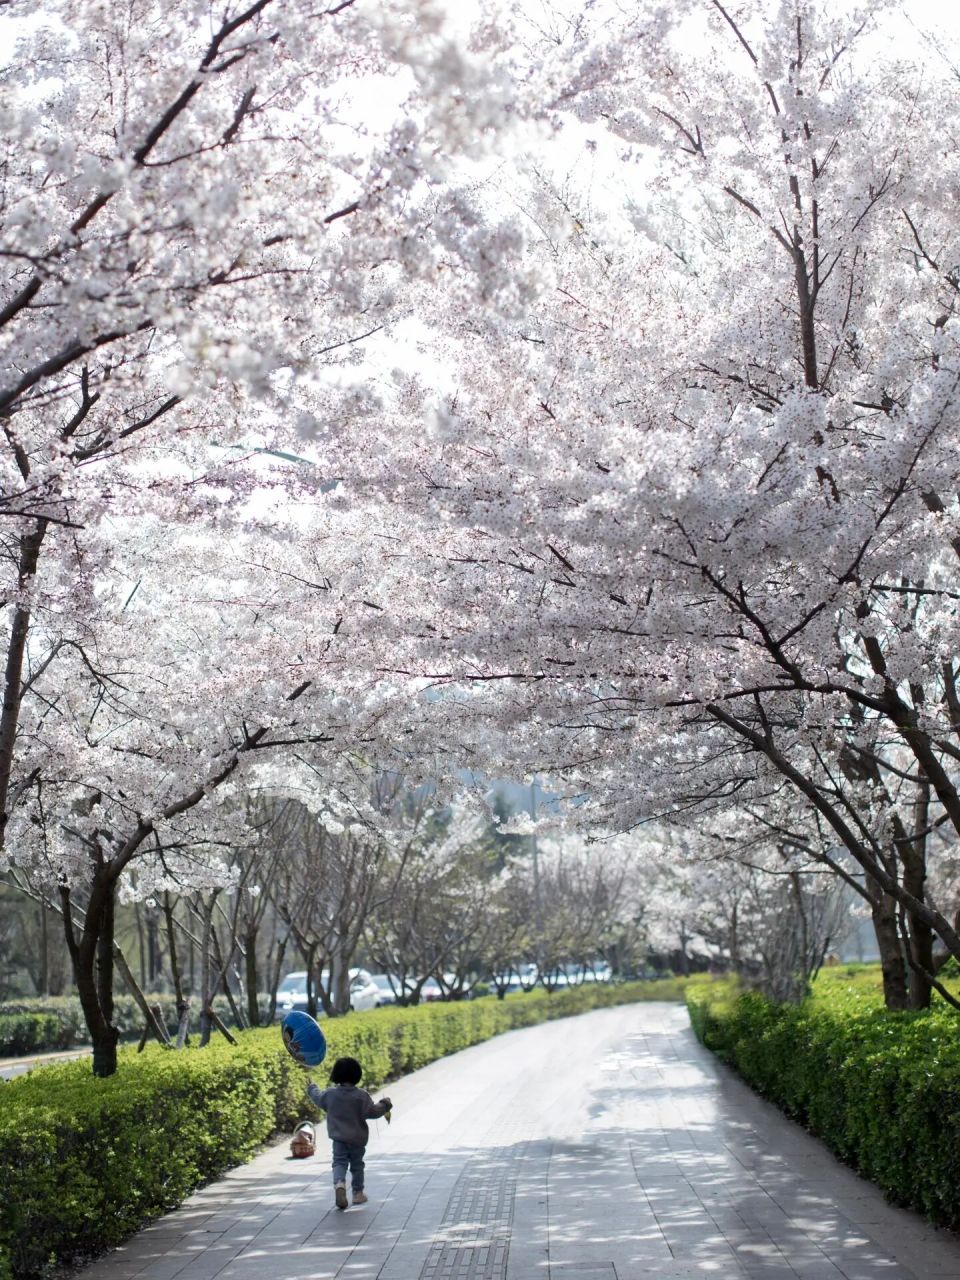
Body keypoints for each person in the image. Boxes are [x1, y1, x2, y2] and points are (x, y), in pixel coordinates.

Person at [307, 1056, 392, 1210]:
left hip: (339, 1139)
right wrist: (385, 1104)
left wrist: (312, 1087)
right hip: (357, 1140)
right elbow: (373, 1112)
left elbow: (318, 1098)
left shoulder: (330, 1094)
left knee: (339, 1162)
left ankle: (339, 1184)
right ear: (357, 1075)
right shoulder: (361, 1096)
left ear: (336, 1075)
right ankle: (358, 1194)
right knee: (357, 1166)